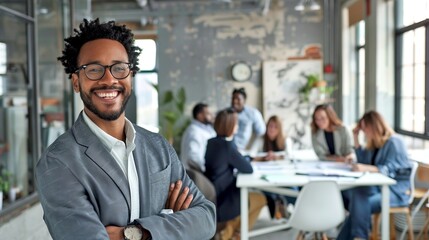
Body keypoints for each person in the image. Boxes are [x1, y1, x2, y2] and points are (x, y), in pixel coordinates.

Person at [35, 18, 216, 240]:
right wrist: (171, 223)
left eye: (119, 68)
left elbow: (206, 218)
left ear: (130, 75)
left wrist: (136, 233)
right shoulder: (58, 162)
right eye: (94, 69)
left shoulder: (157, 146)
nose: (109, 79)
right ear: (76, 82)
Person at [337, 110, 412, 240]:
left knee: (359, 202)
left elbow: (390, 170)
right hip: (377, 189)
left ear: (373, 126)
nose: (364, 133)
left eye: (364, 128)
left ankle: (359, 237)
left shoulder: (394, 142)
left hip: (395, 192)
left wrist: (366, 168)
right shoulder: (375, 144)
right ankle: (359, 236)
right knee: (348, 194)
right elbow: (363, 162)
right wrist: (355, 138)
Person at [205, 108, 266, 240]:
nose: (238, 126)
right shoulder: (227, 146)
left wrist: (244, 157)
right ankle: (234, 233)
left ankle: (232, 231)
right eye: (236, 123)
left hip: (216, 195)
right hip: (226, 200)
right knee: (261, 199)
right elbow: (248, 169)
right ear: (230, 126)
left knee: (253, 199)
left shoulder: (212, 143)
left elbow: (236, 159)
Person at [180, 102, 216, 172]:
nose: (212, 116)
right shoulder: (194, 132)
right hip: (196, 174)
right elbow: (193, 157)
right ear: (199, 115)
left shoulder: (206, 128)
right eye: (208, 113)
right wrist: (206, 171)